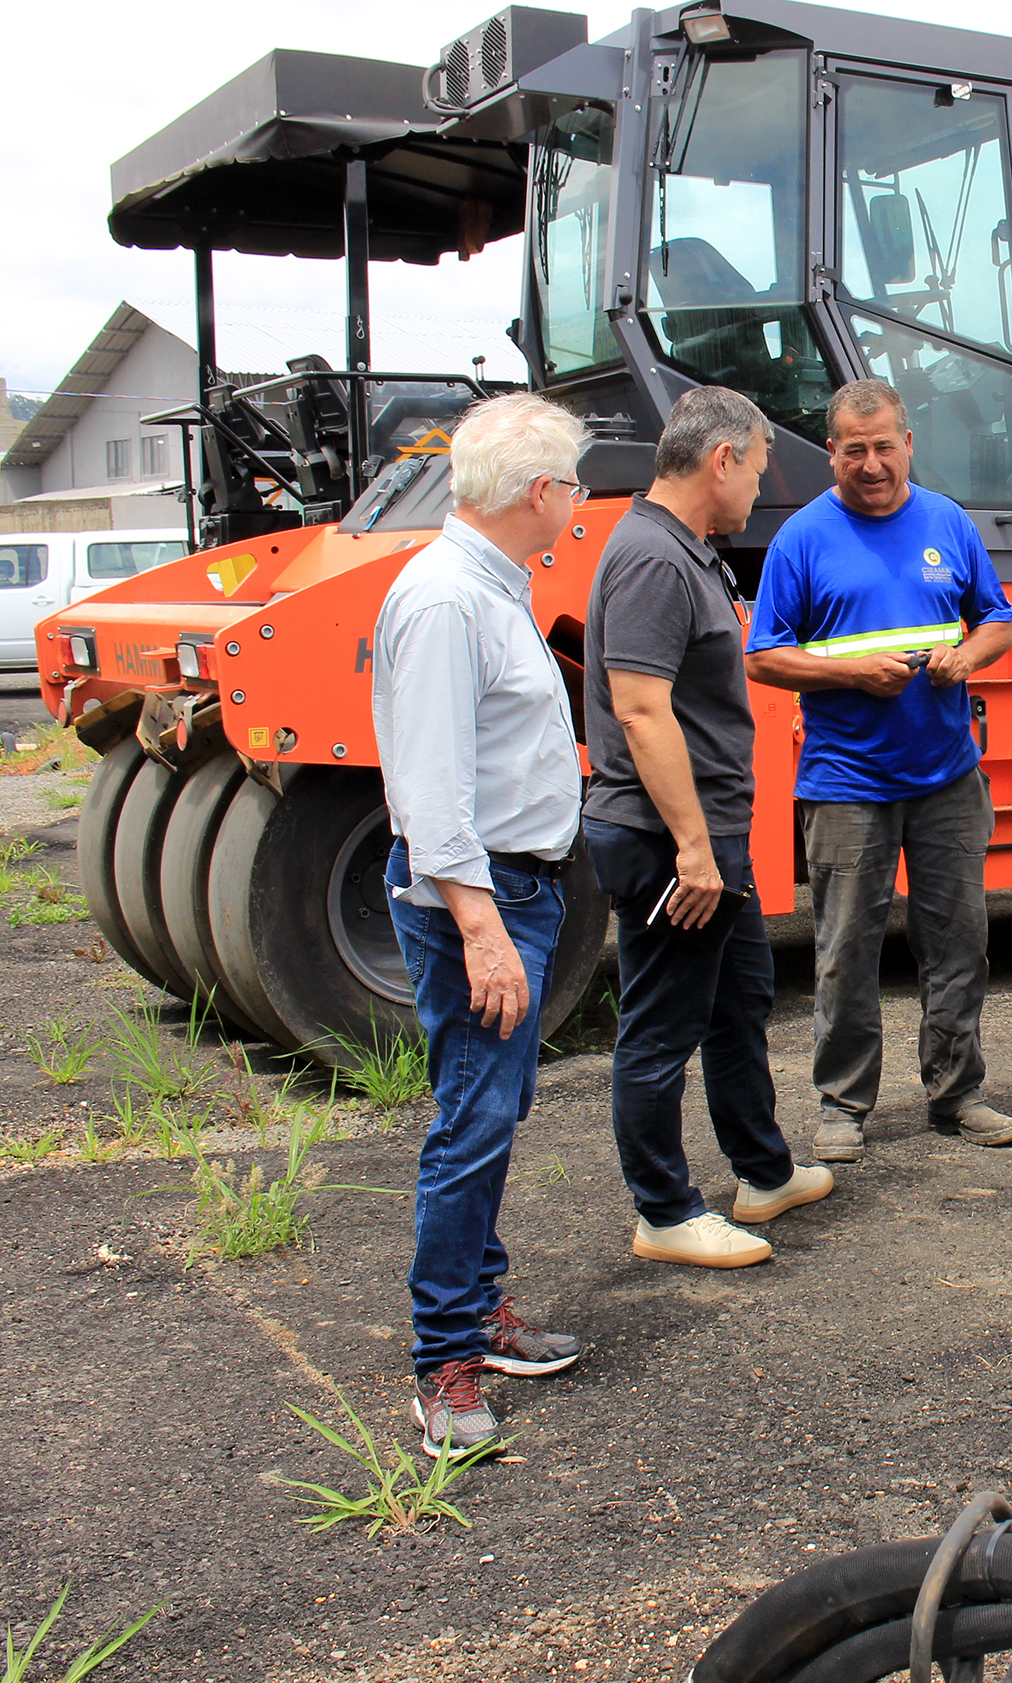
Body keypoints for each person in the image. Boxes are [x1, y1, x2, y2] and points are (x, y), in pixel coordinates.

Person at [373, 393, 591, 1457]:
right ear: (541, 493)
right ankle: (444, 1361)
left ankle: (478, 1313)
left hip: (515, 886)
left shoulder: (490, 588)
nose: (579, 502)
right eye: (575, 485)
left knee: (492, 1107)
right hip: (483, 891)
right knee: (472, 1118)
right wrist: (481, 923)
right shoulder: (448, 601)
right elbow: (427, 785)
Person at [582, 387, 832, 1269]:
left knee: (737, 1003)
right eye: (759, 466)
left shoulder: (684, 549)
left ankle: (762, 1171)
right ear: (721, 458)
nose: (760, 486)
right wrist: (692, 848)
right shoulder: (653, 557)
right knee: (659, 1028)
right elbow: (643, 712)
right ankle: (663, 1211)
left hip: (710, 833)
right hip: (668, 839)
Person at [745, 378, 1012, 1164]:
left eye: (884, 446)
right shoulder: (802, 537)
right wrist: (853, 673)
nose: (871, 464)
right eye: (854, 449)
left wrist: (967, 654)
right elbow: (764, 656)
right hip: (846, 785)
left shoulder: (947, 521)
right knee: (844, 951)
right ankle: (842, 1105)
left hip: (945, 776)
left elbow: (997, 617)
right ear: (832, 452)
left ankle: (957, 1091)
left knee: (960, 942)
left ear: (908, 443)